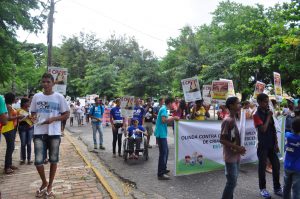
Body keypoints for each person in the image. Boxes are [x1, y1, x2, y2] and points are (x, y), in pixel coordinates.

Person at [30, 73, 70, 198]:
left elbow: (66, 114)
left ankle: (50, 185)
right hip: (39, 132)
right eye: (44, 82)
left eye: (48, 82)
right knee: (38, 161)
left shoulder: (59, 97)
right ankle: (44, 182)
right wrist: (33, 117)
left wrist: (53, 119)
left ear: (53, 83)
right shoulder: (37, 96)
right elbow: (33, 112)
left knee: (53, 160)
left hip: (54, 133)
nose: (45, 84)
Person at [253, 93, 283, 198]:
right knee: (262, 168)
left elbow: (273, 129)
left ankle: (277, 187)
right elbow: (263, 129)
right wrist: (269, 116)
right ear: (259, 102)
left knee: (276, 166)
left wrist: (276, 143)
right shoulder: (256, 115)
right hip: (262, 145)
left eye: (267, 101)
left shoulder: (268, 112)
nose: (267, 103)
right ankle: (263, 189)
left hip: (271, 144)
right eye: (265, 102)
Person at [220, 97, 246, 199]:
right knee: (231, 182)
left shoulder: (234, 118)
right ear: (231, 106)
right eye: (238, 103)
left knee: (233, 182)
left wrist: (240, 148)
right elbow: (222, 139)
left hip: (236, 155)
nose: (240, 105)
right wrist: (237, 147)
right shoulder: (228, 120)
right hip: (230, 157)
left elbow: (233, 138)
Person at [155, 97, 179, 180]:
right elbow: (163, 120)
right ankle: (160, 173)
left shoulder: (164, 108)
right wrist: (174, 118)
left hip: (161, 134)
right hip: (161, 134)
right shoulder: (164, 109)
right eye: (173, 103)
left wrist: (172, 117)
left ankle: (163, 169)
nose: (174, 104)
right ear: (170, 103)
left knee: (166, 152)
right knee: (163, 153)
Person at [1, 93, 23, 174]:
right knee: (10, 147)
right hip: (8, 129)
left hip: (11, 128)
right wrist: (18, 117)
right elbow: (8, 118)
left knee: (11, 147)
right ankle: (7, 167)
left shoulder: (9, 106)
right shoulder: (8, 106)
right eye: (15, 98)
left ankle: (9, 164)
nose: (15, 99)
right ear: (12, 99)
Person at [283, 117, 300, 199]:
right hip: (298, 168)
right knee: (296, 190)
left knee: (286, 187)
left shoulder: (287, 135)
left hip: (287, 166)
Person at [18, 98, 34, 165]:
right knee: (23, 144)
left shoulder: (30, 110)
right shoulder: (19, 110)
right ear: (24, 103)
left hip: (30, 128)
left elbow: (33, 119)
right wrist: (25, 117)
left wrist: (32, 122)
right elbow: (18, 120)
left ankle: (29, 159)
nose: (29, 104)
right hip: (22, 128)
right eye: (28, 102)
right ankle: (23, 159)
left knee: (29, 143)